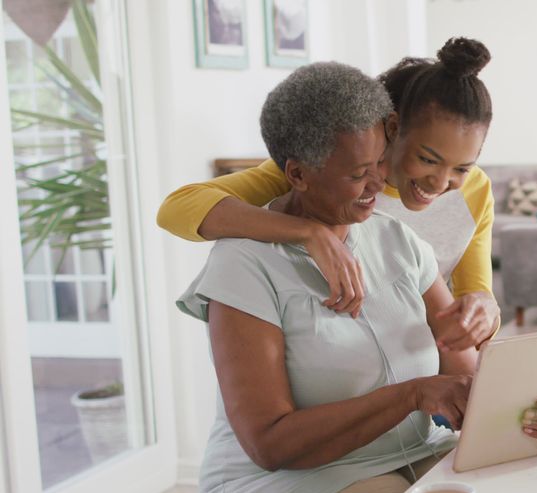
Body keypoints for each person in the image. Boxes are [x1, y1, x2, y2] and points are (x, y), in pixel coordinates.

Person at [176, 62, 537, 493]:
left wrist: (521, 412)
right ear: (298, 173)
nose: (378, 183)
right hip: (288, 487)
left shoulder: (397, 241)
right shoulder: (243, 265)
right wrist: (412, 394)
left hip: (409, 455)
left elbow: (459, 373)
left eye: (380, 163)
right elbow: (269, 443)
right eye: (356, 173)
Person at [160, 37, 500, 351]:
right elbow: (177, 209)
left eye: (462, 168)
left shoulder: (475, 191)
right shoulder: (327, 176)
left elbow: (473, 297)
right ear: (393, 128)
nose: (440, 183)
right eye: (427, 159)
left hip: (418, 359)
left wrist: (487, 311)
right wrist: (310, 234)